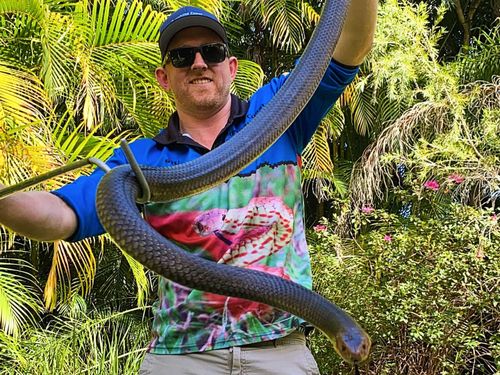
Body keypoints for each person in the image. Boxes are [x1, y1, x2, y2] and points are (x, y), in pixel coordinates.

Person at [0, 2, 377, 374]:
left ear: (230, 67)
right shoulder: (139, 165)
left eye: (211, 52)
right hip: (181, 358)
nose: (199, 63)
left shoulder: (279, 113)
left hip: (278, 354)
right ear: (164, 77)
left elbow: (351, 44)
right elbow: (59, 214)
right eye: (182, 57)